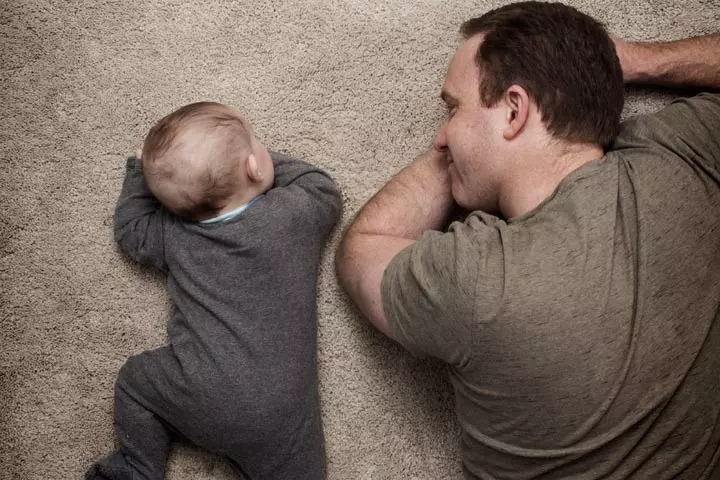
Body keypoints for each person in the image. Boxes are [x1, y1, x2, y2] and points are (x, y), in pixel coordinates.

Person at [336, 2, 720, 479]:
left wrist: (458, 155)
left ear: (514, 110)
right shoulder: (686, 158)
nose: (439, 137)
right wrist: (634, 61)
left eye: (453, 109)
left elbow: (364, 245)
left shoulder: (475, 279)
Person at [87, 102, 342, 480]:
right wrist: (262, 165)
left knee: (135, 383)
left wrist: (140, 175)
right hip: (279, 413)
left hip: (198, 390)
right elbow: (322, 186)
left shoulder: (171, 233)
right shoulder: (292, 215)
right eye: (258, 143)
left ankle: (138, 468)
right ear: (254, 166)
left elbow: (130, 230)